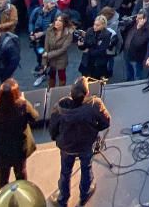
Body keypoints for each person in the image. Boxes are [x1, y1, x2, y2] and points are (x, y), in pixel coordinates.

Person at [49, 77, 111, 207]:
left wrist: (58, 139)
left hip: (66, 146)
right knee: (86, 166)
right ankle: (85, 193)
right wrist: (94, 131)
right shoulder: (95, 104)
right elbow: (106, 122)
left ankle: (63, 198)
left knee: (65, 171)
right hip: (85, 145)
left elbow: (53, 129)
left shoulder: (60, 106)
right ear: (86, 93)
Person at [0, 79, 40, 189]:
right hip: (19, 147)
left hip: (2, 150)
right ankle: (23, 197)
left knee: (3, 177)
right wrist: (24, 101)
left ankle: (3, 201)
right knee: (21, 172)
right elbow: (35, 117)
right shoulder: (23, 107)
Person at [42, 13, 74, 88]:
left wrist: (48, 55)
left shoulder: (69, 33)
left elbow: (63, 49)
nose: (57, 22)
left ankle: (61, 92)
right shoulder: (49, 30)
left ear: (64, 23)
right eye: (56, 20)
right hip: (51, 58)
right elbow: (46, 47)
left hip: (61, 58)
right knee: (51, 75)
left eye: (60, 20)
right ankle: (50, 91)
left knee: (61, 76)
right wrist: (44, 62)